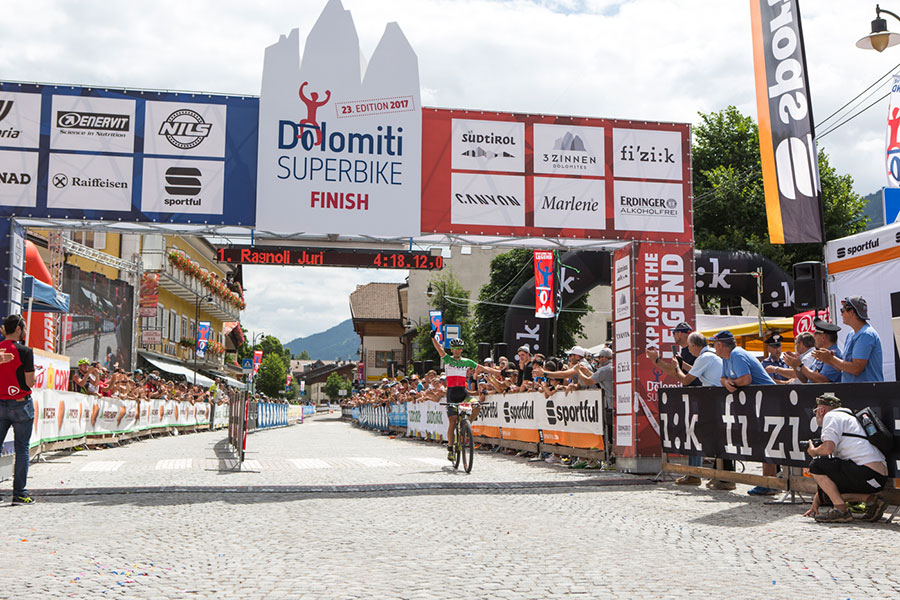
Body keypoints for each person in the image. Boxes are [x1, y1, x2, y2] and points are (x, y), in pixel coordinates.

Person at [803, 393, 888, 523]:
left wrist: (814, 451)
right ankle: (871, 500)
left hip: (866, 473)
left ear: (822, 411)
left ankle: (841, 511)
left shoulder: (831, 416)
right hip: (877, 478)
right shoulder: (850, 418)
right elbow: (829, 480)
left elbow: (827, 449)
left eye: (816, 412)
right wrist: (817, 501)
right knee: (828, 493)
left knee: (816, 465)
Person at [712, 330, 776, 494]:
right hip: (760, 403)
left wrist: (729, 382)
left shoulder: (737, 355)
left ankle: (770, 483)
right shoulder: (727, 358)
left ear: (721, 345)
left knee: (767, 443)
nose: (713, 347)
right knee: (764, 443)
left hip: (769, 402)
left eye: (714, 344)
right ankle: (768, 482)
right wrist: (726, 381)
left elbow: (745, 379)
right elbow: (723, 378)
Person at [669, 332, 723, 485]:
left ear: (694, 345)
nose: (689, 350)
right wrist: (683, 364)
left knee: (695, 435)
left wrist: (677, 368)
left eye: (689, 346)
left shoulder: (704, 358)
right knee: (714, 438)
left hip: (712, 403)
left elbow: (686, 380)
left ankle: (695, 474)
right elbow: (698, 372)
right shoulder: (711, 355)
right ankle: (715, 476)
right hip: (718, 401)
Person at [0, 314, 36, 505]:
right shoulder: (25, 351)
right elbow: (30, 381)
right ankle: (19, 493)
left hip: (0, 402)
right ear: (19, 329)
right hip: (20, 402)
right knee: (22, 448)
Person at [813, 296, 883, 383]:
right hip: (855, 391)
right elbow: (843, 368)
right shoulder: (851, 334)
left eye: (842, 310)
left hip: (867, 392)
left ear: (852, 312)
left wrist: (831, 359)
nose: (841, 314)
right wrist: (826, 358)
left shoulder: (866, 334)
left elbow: (856, 369)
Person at [431, 332, 478, 461]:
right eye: (455, 349)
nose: (457, 351)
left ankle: (466, 426)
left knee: (477, 406)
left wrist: (498, 371)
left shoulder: (466, 361)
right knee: (452, 421)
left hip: (463, 393)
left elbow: (481, 368)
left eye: (459, 349)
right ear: (452, 350)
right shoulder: (448, 359)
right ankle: (450, 448)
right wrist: (433, 338)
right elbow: (439, 349)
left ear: (462, 350)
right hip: (451, 393)